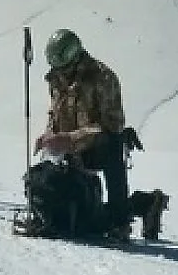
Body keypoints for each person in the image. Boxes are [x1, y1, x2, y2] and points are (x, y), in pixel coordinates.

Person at [33, 28, 133, 238]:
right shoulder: (57, 78)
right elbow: (55, 112)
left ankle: (121, 219)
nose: (61, 73)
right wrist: (49, 135)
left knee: (112, 144)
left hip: (95, 147)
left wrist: (70, 139)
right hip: (68, 150)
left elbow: (112, 124)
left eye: (64, 67)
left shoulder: (102, 77)